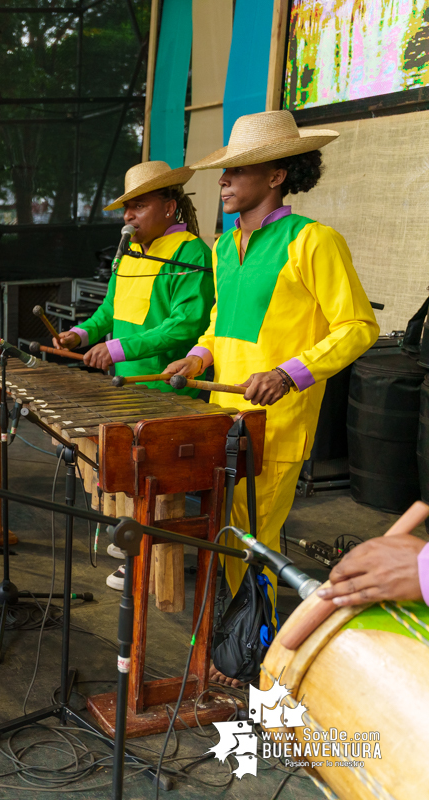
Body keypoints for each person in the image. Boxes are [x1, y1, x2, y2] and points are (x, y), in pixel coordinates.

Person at [163, 111, 379, 673]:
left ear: (277, 173)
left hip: (276, 423)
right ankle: (242, 645)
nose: (223, 181)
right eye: (225, 171)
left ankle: (251, 653)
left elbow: (358, 326)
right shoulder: (221, 245)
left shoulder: (313, 241)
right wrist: (196, 356)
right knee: (231, 533)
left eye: (237, 170)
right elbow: (218, 325)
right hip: (222, 415)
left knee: (250, 539)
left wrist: (288, 374)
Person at [53, 162, 215, 591]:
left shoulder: (191, 253)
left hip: (164, 391)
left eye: (138, 206)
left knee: (154, 481)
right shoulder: (130, 253)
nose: (128, 216)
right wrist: (81, 333)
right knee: (127, 473)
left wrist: (118, 348)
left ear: (170, 206)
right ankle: (132, 535)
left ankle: (148, 555)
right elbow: (110, 310)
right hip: (122, 387)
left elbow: (187, 323)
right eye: (126, 208)